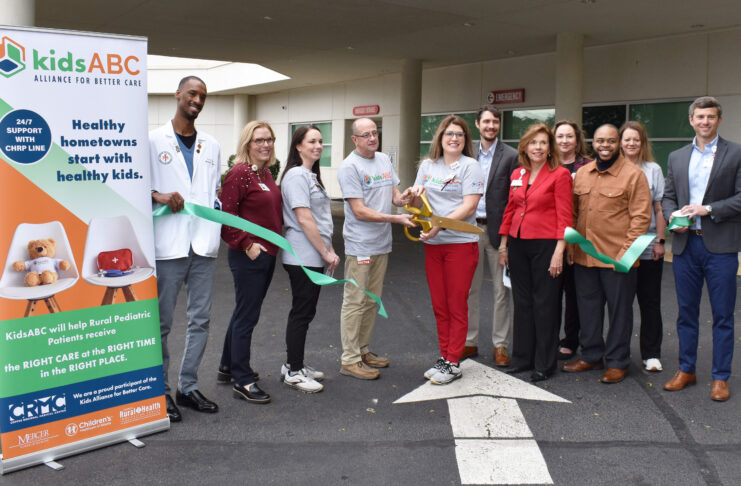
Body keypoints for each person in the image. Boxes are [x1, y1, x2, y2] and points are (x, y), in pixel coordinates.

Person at [149, 76, 221, 422]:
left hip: (203, 245)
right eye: (192, 93)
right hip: (169, 245)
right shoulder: (152, 141)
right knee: (162, 323)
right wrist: (158, 196)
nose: (197, 100)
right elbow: (137, 187)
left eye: (202, 96)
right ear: (177, 94)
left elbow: (213, 193)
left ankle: (187, 386)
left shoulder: (212, 144)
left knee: (200, 321)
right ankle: (159, 392)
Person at [662, 96, 741, 402]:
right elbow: (668, 196)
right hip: (685, 246)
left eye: (711, 117)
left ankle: (720, 377)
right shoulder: (677, 156)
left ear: (719, 120)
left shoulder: (735, 153)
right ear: (691, 120)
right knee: (686, 314)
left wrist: (707, 208)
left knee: (722, 315)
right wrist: (673, 217)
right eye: (700, 117)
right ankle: (686, 369)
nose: (705, 122)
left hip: (720, 247)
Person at [562, 124, 651, 384]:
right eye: (600, 140)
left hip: (617, 259)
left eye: (611, 141)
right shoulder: (582, 174)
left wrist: (625, 256)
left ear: (619, 144)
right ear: (593, 142)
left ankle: (617, 362)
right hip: (584, 257)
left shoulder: (634, 175)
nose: (605, 145)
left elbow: (640, 219)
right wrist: (570, 246)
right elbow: (574, 214)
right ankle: (590, 355)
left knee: (619, 313)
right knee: (587, 310)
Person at [337, 118, 415, 380]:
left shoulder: (383, 159)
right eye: (366, 135)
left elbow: (395, 195)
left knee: (372, 300)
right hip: (361, 244)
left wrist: (406, 199)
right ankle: (349, 359)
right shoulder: (349, 167)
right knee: (355, 300)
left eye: (375, 133)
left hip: (382, 243)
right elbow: (359, 211)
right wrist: (396, 219)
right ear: (354, 139)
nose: (372, 138)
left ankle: (362, 350)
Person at [409, 115, 484, 385]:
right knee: (440, 306)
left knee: (456, 305)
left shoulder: (470, 166)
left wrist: (438, 225)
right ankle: (444, 356)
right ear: (440, 138)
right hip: (434, 245)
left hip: (460, 245)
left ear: (466, 140)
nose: (454, 138)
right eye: (449, 133)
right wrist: (412, 196)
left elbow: (469, 206)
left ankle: (453, 361)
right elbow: (419, 204)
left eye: (460, 134)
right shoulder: (428, 166)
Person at [498, 123, 572, 382]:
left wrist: (559, 250)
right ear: (525, 147)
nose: (538, 147)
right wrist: (504, 245)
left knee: (545, 304)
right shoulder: (517, 173)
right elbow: (510, 209)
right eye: (533, 143)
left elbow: (565, 215)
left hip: (546, 245)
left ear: (549, 147)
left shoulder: (560, 174)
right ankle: (522, 358)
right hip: (518, 244)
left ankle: (544, 362)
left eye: (543, 143)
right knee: (523, 303)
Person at [218, 121, 282, 404]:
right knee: (248, 316)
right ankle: (242, 380)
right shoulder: (240, 173)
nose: (265, 145)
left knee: (243, 311)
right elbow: (226, 218)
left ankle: (227, 366)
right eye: (259, 140)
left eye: (269, 139)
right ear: (247, 144)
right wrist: (246, 244)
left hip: (266, 254)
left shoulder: (264, 172)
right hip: (250, 256)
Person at [279, 125, 340, 393]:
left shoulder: (311, 175)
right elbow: (303, 218)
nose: (318, 145)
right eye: (311, 141)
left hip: (314, 254)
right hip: (302, 256)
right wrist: (326, 252)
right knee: (302, 312)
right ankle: (293, 371)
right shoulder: (295, 176)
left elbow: (321, 219)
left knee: (306, 311)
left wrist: (329, 248)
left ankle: (295, 364)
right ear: (298, 146)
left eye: (320, 141)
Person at [464, 105, 518, 366]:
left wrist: (507, 238)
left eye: (495, 122)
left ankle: (500, 345)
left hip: (498, 232)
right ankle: (469, 341)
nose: (491, 126)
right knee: (470, 289)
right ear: (477, 124)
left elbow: (513, 200)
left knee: (501, 291)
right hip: (470, 229)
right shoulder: (466, 151)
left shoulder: (511, 155)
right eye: (486, 121)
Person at [619, 121, 666, 372]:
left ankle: (651, 353)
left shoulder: (653, 170)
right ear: (620, 142)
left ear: (642, 142)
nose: (631, 144)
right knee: (621, 303)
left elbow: (659, 207)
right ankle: (620, 353)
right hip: (621, 246)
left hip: (646, 244)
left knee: (649, 301)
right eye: (627, 139)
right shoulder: (613, 169)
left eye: (636, 139)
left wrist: (660, 240)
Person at [553, 120, 591, 361]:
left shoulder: (588, 167)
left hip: (578, 236)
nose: (564, 141)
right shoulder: (546, 164)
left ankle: (571, 339)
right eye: (560, 136)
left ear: (577, 139)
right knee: (551, 291)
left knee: (575, 292)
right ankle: (548, 337)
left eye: (569, 136)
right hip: (551, 235)